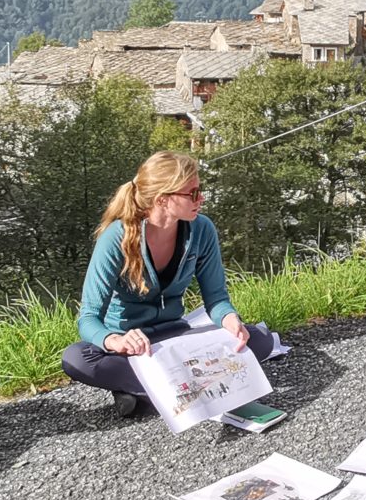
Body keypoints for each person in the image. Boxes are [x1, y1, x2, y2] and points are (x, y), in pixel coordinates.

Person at [60, 151, 281, 419]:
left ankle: (148, 391)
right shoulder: (116, 237)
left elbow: (216, 298)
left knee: (258, 339)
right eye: (193, 193)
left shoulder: (202, 229)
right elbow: (88, 319)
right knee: (77, 359)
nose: (201, 199)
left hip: (175, 337)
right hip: (134, 348)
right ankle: (189, 386)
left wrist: (229, 318)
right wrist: (114, 340)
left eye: (200, 190)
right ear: (162, 199)